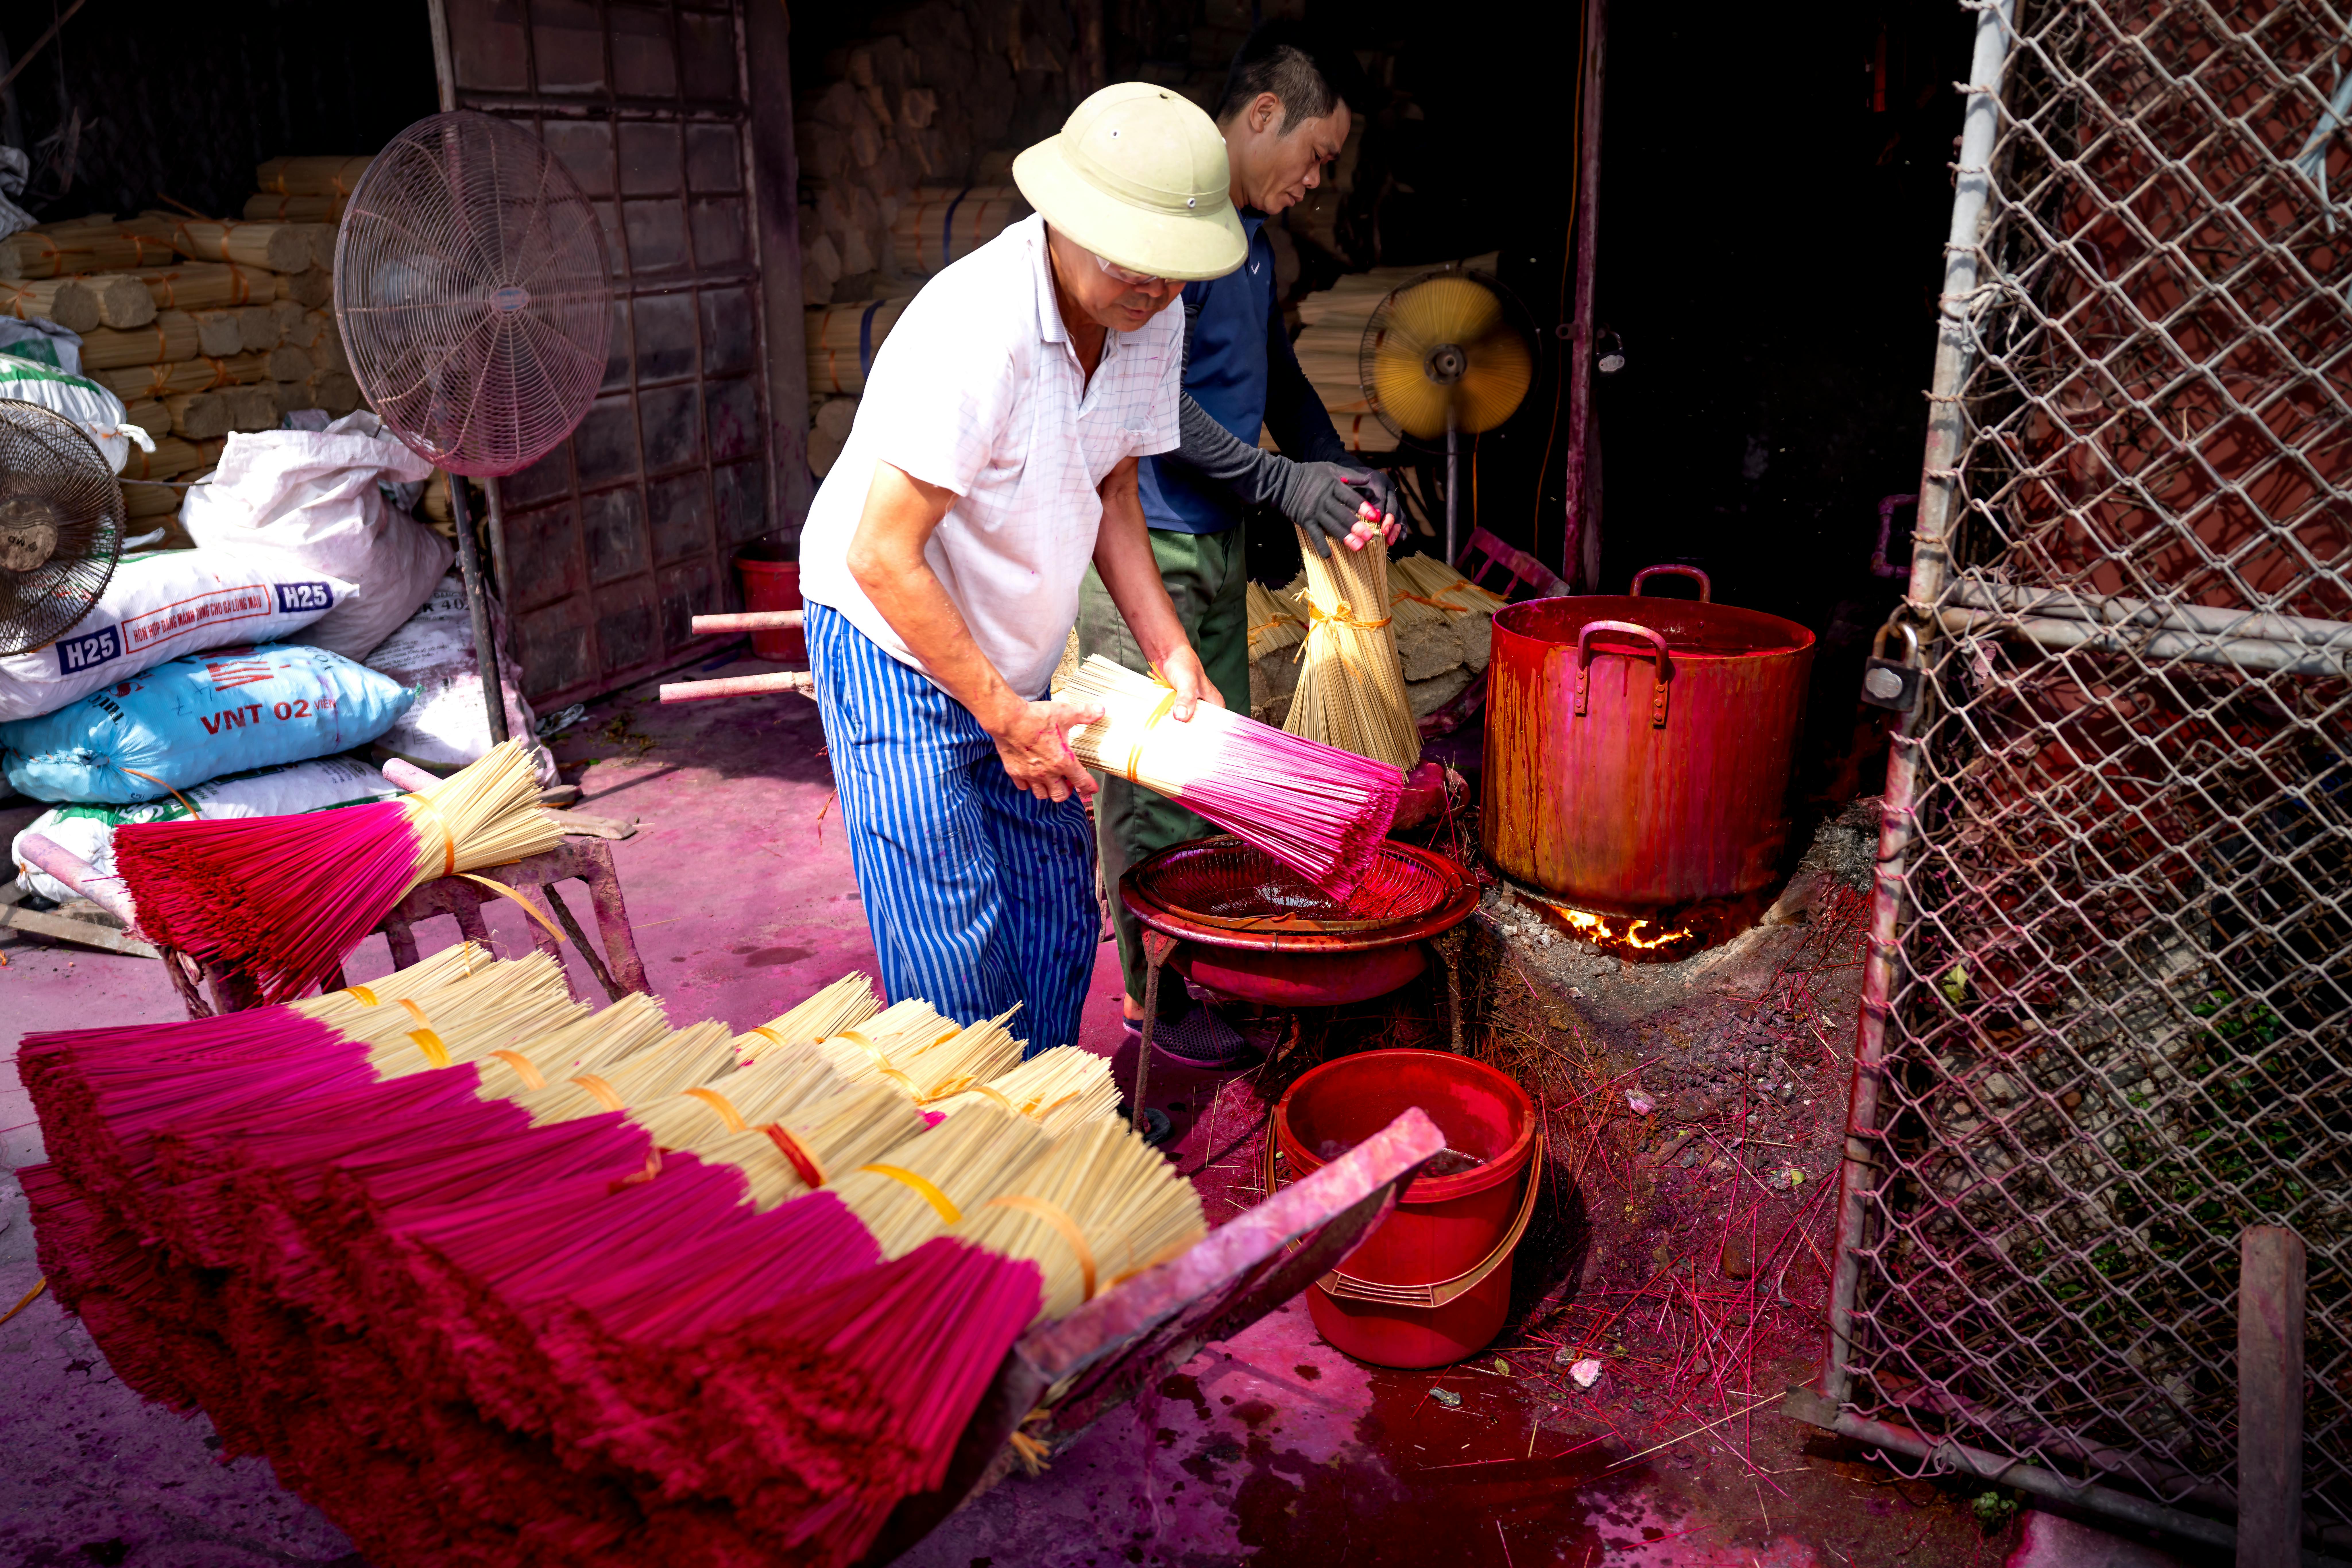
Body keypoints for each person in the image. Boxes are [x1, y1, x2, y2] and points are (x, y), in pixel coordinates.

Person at [795, 85, 1246, 1060]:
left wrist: (1173, 652)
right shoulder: (974, 329)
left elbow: (1114, 486)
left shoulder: (1148, 313)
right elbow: (881, 553)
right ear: (1067, 217)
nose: (1155, 289)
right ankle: (969, 1151)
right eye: (1134, 260)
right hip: (889, 630)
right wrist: (1003, 715)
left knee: (1053, 908)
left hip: (1013, 645)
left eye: (1175, 273)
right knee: (952, 929)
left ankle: (1048, 1121)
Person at [1076, 22, 1399, 1066]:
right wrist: (1280, 484)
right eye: (1315, 154)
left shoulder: (1254, 243)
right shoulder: (1178, 229)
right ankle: (1154, 999)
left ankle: (1201, 967)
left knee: (1212, 777)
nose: (1317, 179)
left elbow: (1275, 372)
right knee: (1153, 788)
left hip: (1210, 541)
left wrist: (1329, 467)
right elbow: (1155, 399)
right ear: (1263, 115)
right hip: (1147, 545)